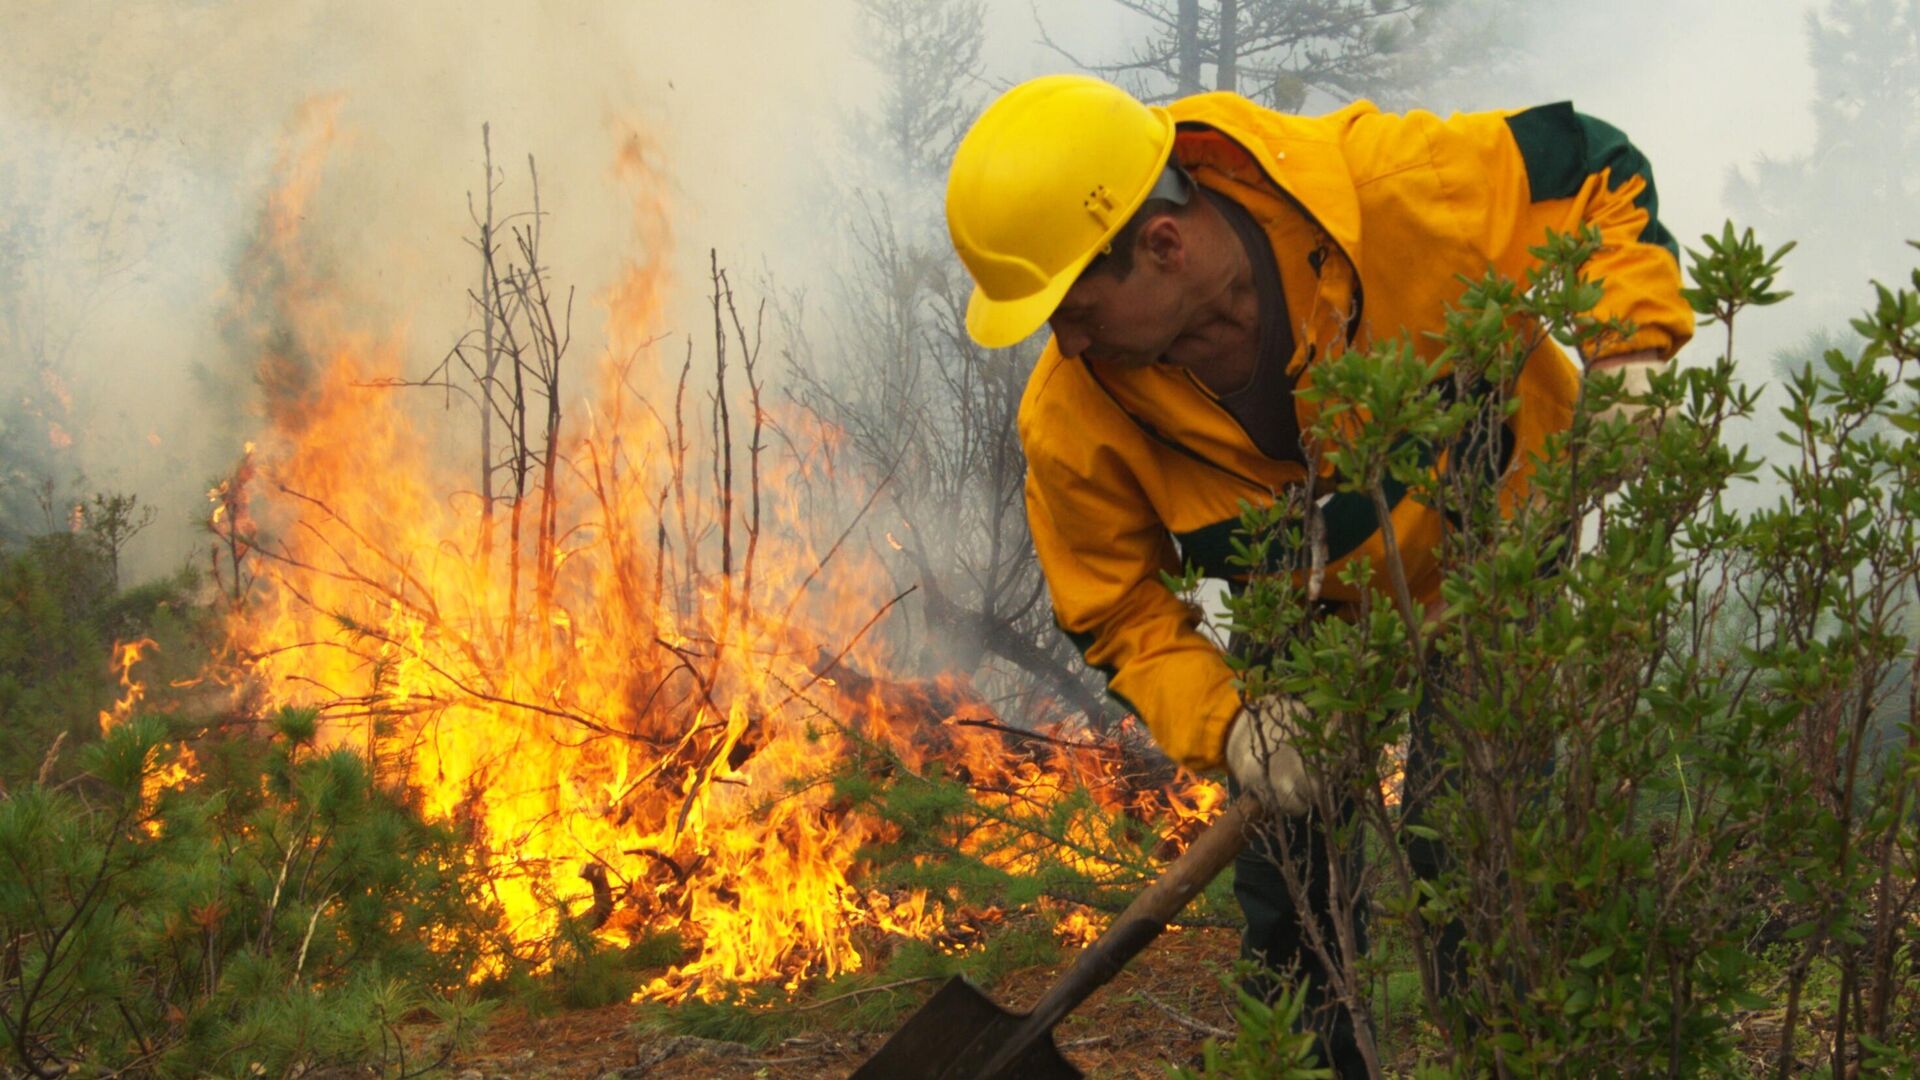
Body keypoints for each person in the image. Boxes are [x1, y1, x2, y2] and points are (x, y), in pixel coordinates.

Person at [942, 74, 1692, 1075]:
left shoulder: (1393, 191)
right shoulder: (1075, 420)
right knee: (1289, 884)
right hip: (1309, 595)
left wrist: (1633, 347)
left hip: (1493, 540)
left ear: (1161, 245)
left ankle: (1518, 1060)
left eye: (1071, 307)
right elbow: (1112, 607)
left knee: (1466, 843)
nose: (1066, 342)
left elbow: (1591, 169)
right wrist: (1233, 726)